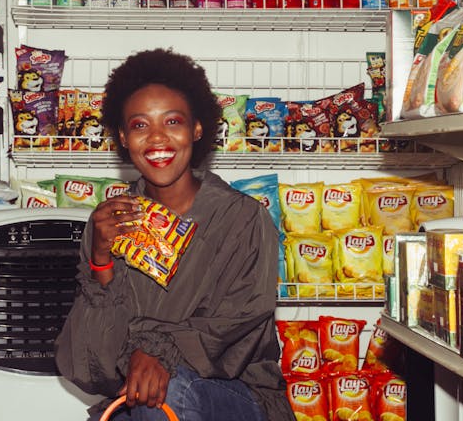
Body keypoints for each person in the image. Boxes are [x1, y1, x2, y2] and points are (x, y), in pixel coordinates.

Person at [55, 49, 296, 421]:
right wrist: (100, 262)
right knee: (138, 403)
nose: (157, 139)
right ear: (122, 135)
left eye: (172, 122)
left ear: (197, 128)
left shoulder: (241, 219)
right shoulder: (109, 224)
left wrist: (158, 351)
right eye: (139, 125)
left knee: (163, 394)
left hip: (237, 397)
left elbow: (236, 324)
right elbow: (90, 367)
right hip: (140, 396)